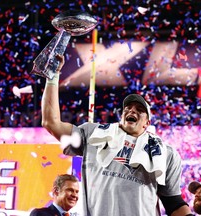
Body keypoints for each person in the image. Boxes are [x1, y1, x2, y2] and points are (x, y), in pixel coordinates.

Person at [40, 54, 192, 216]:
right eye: (128, 108)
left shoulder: (166, 154)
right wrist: (52, 77)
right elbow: (51, 123)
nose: (132, 110)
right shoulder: (93, 134)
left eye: (139, 110)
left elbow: (173, 203)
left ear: (147, 123)